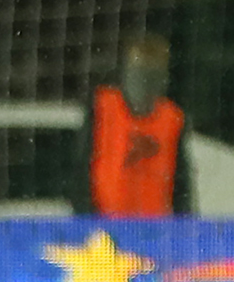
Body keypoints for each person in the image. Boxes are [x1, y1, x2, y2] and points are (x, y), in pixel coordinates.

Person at [80, 33, 191, 216]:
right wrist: (86, 217)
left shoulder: (172, 119)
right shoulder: (102, 107)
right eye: (140, 73)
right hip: (106, 222)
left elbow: (181, 183)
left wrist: (186, 224)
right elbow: (81, 168)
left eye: (153, 75)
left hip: (154, 224)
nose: (144, 84)